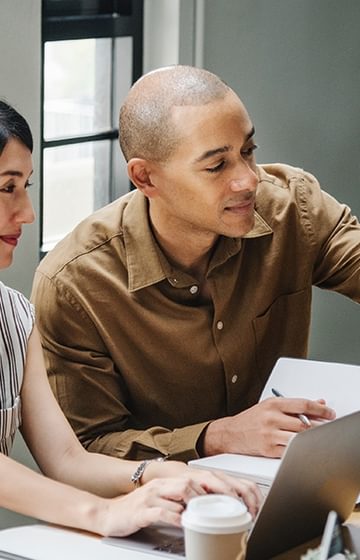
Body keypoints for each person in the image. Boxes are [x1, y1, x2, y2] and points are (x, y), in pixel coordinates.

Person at [31, 65, 359, 463]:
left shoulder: (293, 207)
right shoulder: (74, 284)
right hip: (155, 512)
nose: (248, 179)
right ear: (146, 178)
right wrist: (214, 437)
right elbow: (87, 451)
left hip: (288, 487)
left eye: (248, 151)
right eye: (217, 165)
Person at [0, 99, 261, 536]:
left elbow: (68, 461)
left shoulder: (14, 315)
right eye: (7, 188)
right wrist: (102, 515)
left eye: (27, 186)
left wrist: (162, 476)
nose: (27, 212)